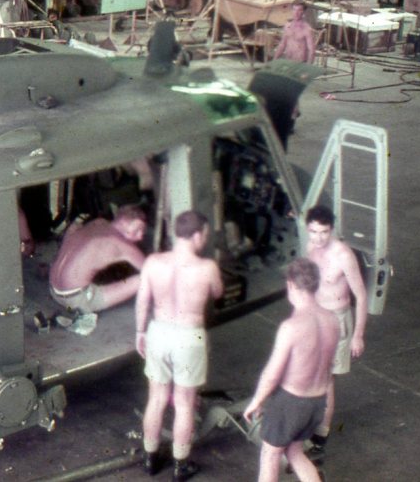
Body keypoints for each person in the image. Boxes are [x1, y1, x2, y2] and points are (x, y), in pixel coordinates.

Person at [136, 210, 223, 480]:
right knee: (185, 403)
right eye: (204, 235)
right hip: (189, 335)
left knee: (156, 398)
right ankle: (180, 464)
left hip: (158, 331)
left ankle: (150, 458)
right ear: (196, 236)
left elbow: (142, 301)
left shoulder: (153, 262)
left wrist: (140, 332)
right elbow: (218, 292)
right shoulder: (207, 267)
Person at [243, 258, 339, 482]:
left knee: (270, 455)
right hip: (317, 401)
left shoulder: (291, 327)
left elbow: (272, 374)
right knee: (295, 452)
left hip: (291, 402)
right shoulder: (333, 320)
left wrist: (256, 401)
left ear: (291, 285)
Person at [302, 204, 367, 455]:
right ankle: (308, 424)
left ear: (332, 230)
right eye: (313, 232)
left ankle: (321, 434)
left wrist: (358, 335)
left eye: (324, 232)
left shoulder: (343, 255)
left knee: (326, 381)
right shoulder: (310, 247)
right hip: (314, 318)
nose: (318, 238)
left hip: (337, 322)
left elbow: (361, 296)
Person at [49, 205, 147, 314]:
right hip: (76, 300)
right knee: (145, 278)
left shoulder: (98, 222)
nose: (140, 237)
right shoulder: (121, 244)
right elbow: (151, 268)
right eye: (138, 230)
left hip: (53, 290)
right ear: (123, 223)